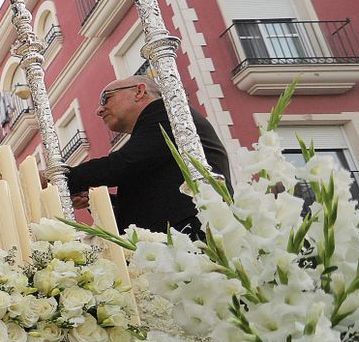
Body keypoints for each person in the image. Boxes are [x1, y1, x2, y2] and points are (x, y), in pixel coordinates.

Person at [64, 74, 233, 238]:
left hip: (192, 233)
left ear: (139, 91)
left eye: (106, 98)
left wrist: (62, 178)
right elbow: (149, 199)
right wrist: (95, 200)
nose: (99, 110)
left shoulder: (166, 113)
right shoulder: (154, 132)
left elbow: (124, 164)